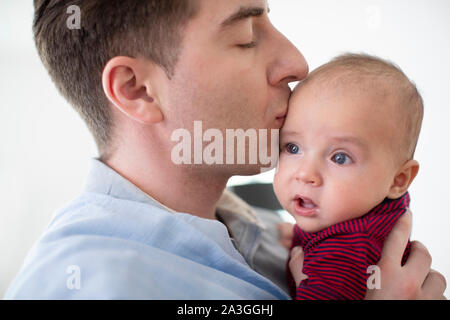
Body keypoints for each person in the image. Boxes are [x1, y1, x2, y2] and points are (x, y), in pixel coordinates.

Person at [4, 0, 445, 299]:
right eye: (247, 37)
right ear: (138, 89)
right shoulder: (83, 285)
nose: (297, 63)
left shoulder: (276, 233)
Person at [273, 53, 425, 299]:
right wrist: (301, 238)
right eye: (293, 147)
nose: (305, 173)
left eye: (340, 158)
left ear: (398, 180)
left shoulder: (344, 254)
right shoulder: (356, 217)